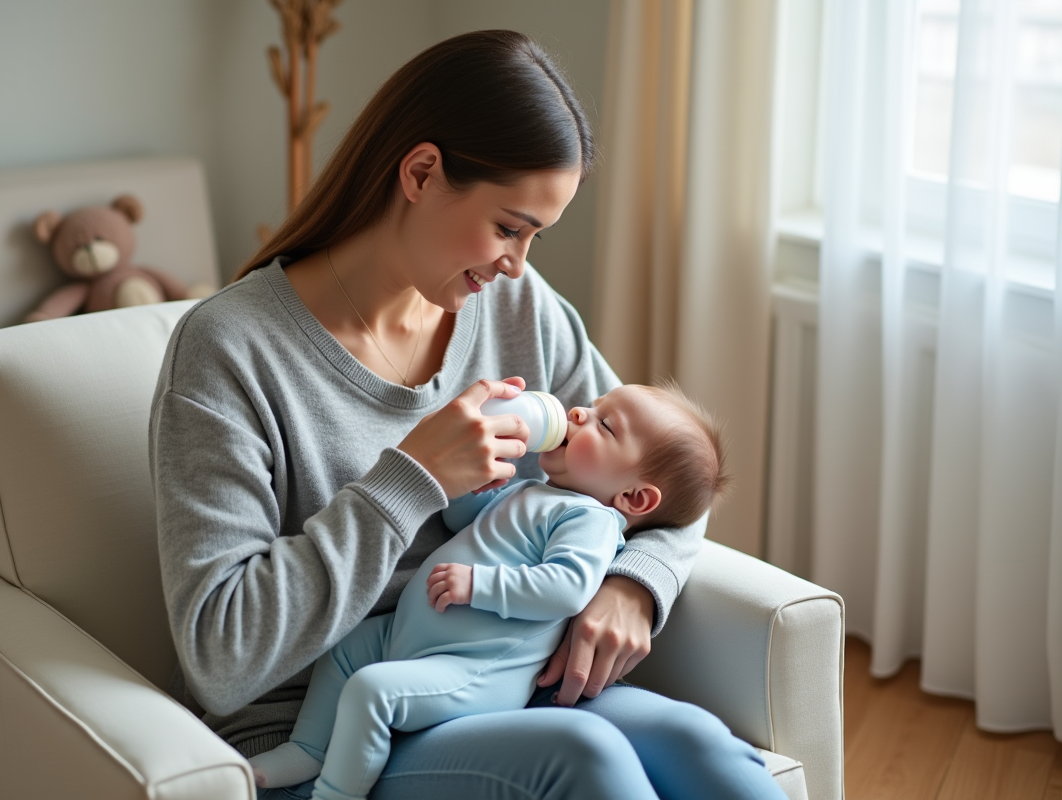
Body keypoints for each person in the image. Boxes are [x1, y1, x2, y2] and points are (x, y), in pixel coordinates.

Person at [150, 29, 787, 800]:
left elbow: (666, 467)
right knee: (586, 758)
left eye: (536, 237)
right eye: (509, 227)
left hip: (502, 674)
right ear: (421, 172)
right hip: (333, 724)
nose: (518, 263)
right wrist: (410, 480)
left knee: (701, 747)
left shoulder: (517, 306)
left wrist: (633, 583)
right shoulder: (230, 351)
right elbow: (221, 658)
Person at [248, 384, 731, 800]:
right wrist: (469, 484)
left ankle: (335, 793)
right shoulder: (536, 491)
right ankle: (308, 749)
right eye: (592, 404)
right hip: (410, 635)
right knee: (343, 656)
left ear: (632, 498)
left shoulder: (591, 520)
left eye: (605, 426)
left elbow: (565, 588)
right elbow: (462, 521)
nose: (579, 412)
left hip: (470, 666)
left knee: (370, 691)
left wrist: (480, 585)